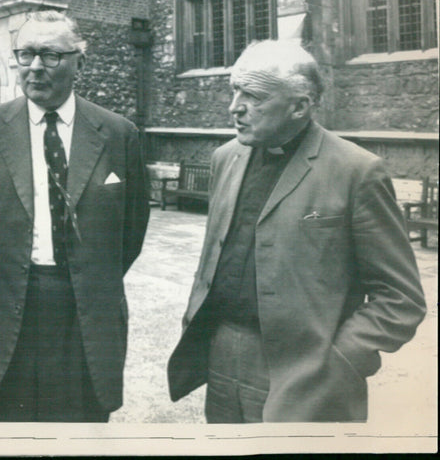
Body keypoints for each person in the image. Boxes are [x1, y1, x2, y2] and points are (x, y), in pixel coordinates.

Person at [167, 40, 426, 423]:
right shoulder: (225, 158)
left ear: (300, 107)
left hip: (308, 373)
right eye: (234, 91)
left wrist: (339, 360)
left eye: (253, 96)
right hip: (221, 356)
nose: (235, 107)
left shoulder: (356, 172)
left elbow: (401, 298)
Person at [0, 10, 150, 422]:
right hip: (5, 309)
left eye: (51, 55)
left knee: (80, 435)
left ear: (80, 63)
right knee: (4, 438)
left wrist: (84, 273)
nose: (36, 66)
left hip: (84, 315)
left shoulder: (119, 134)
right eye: (26, 54)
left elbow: (131, 231)